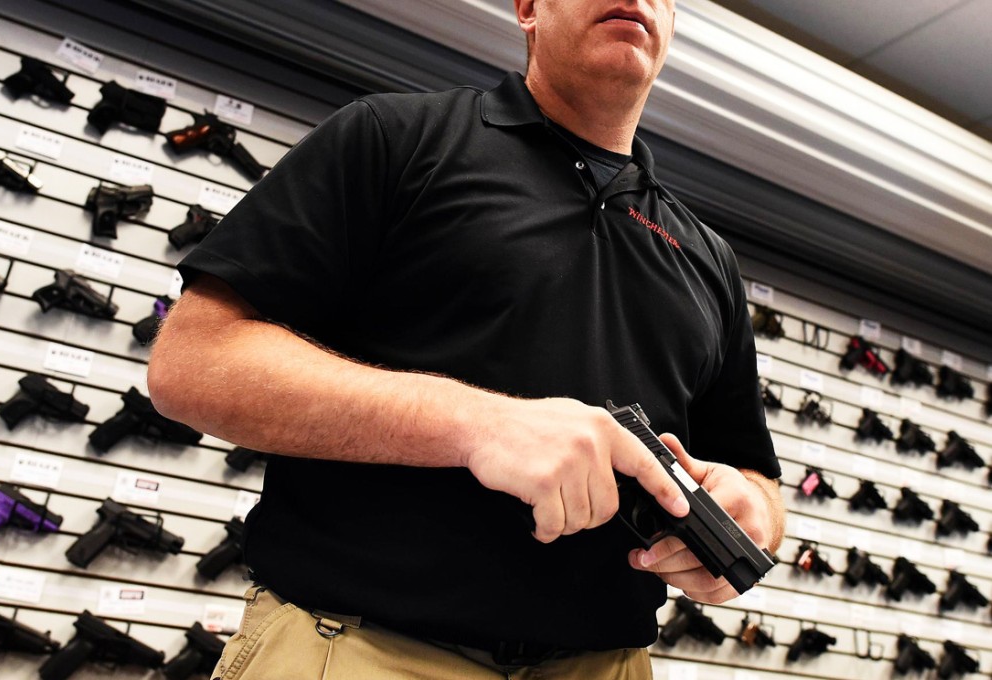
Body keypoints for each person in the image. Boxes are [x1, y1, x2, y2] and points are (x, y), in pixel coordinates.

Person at [148, 0, 786, 678]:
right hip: (359, 648)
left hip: (609, 665)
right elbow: (192, 362)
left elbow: (757, 481)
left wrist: (751, 515)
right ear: (529, 9)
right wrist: (479, 426)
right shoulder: (397, 138)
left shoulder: (707, 258)